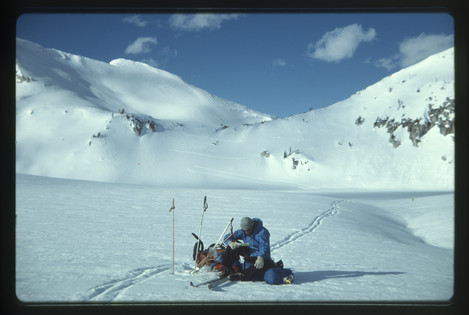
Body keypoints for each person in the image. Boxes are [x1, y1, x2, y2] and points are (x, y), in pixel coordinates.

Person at [221, 217, 276, 281]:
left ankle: (241, 274)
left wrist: (260, 257)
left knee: (249, 273)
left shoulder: (262, 232)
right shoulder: (243, 231)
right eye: (245, 230)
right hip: (249, 251)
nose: (246, 232)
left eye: (248, 230)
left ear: (252, 227)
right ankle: (228, 268)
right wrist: (230, 243)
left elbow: (264, 247)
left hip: (259, 256)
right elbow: (227, 237)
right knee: (230, 248)